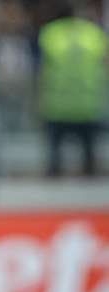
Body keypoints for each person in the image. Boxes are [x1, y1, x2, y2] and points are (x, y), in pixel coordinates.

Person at [38, 3, 108, 178]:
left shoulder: (50, 33)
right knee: (89, 158)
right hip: (87, 104)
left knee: (54, 161)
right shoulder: (94, 33)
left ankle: (51, 196)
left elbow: (41, 67)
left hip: (57, 105)